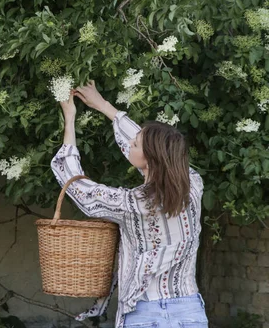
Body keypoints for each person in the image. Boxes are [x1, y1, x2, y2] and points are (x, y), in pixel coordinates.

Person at [50, 80, 208, 328]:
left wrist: (69, 119)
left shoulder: (133, 203)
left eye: (135, 145)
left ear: (149, 159)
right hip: (189, 312)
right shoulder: (194, 185)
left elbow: (79, 187)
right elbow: (153, 148)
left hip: (145, 313)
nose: (130, 144)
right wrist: (103, 106)